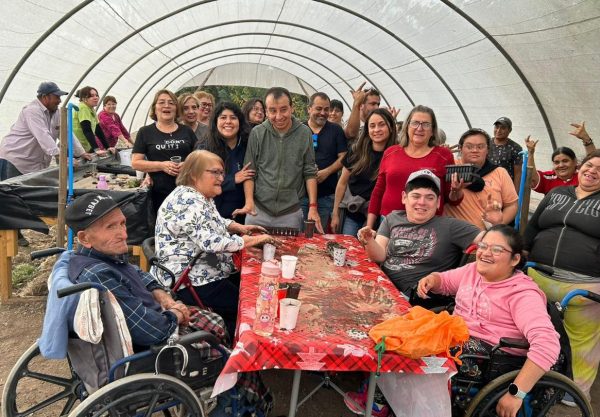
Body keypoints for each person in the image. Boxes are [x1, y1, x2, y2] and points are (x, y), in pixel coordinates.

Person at [62, 191, 273, 414]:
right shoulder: (99, 276)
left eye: (122, 223)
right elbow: (153, 331)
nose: (123, 233)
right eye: (110, 227)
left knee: (217, 322)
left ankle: (240, 382)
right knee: (230, 349)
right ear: (84, 238)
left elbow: (136, 272)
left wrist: (163, 296)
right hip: (154, 346)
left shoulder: (98, 255)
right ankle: (248, 399)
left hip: (156, 317)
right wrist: (176, 313)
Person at [417, 224, 560, 417]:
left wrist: (516, 393)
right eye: (483, 246)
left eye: (497, 249)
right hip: (459, 340)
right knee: (407, 338)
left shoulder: (522, 294)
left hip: (495, 360)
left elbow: (547, 343)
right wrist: (432, 280)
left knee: (421, 358)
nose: (485, 253)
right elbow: (445, 281)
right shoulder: (472, 271)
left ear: (515, 259)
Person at [154, 150, 275, 337]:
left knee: (248, 285)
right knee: (248, 306)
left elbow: (213, 221)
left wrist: (237, 227)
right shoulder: (188, 201)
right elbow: (211, 242)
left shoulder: (199, 196)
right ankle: (237, 344)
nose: (221, 178)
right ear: (194, 175)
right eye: (215, 172)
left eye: (222, 173)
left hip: (202, 270)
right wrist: (253, 240)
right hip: (191, 280)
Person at [524, 150, 600, 400]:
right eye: (590, 165)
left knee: (581, 342)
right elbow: (532, 227)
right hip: (537, 275)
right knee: (533, 330)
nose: (593, 171)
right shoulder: (557, 193)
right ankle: (529, 380)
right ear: (580, 167)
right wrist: (520, 254)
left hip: (583, 286)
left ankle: (575, 393)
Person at [358, 169, 481, 295]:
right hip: (381, 284)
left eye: (430, 198)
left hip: (413, 297)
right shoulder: (392, 218)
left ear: (438, 202)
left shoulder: (451, 226)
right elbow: (379, 256)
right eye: (416, 196)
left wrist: (493, 221)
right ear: (404, 197)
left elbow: (488, 239)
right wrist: (369, 240)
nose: (422, 202)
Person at [232, 87, 323, 232]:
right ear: (266, 112)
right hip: (258, 210)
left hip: (290, 213)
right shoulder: (257, 133)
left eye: (283, 109)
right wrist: (249, 202)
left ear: (292, 108)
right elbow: (250, 171)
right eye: (273, 111)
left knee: (290, 247)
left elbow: (309, 171)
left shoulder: (304, 133)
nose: (279, 116)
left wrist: (313, 206)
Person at [366, 105, 457, 230]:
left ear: (432, 130)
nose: (419, 128)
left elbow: (450, 198)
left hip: (427, 225)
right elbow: (378, 192)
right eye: (415, 123)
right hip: (389, 223)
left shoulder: (443, 156)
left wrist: (457, 191)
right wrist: (369, 226)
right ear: (407, 126)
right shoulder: (391, 152)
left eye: (426, 124)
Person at [0, 81, 90, 180]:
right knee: (12, 189)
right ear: (45, 97)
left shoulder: (57, 113)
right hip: (15, 159)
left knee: (29, 189)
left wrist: (82, 153)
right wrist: (60, 156)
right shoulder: (32, 111)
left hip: (33, 163)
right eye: (57, 97)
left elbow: (67, 133)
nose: (59, 101)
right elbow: (43, 135)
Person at [330, 108, 396, 236]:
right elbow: (342, 183)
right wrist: (335, 213)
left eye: (381, 125)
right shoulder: (356, 151)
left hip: (380, 217)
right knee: (348, 245)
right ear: (367, 129)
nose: (376, 130)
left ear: (391, 127)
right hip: (353, 213)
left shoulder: (396, 154)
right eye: (372, 126)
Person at [131, 89, 197, 215]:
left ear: (176, 109)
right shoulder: (145, 132)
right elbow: (136, 163)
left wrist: (187, 164)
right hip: (159, 194)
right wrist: (162, 165)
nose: (167, 105)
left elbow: (200, 157)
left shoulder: (186, 131)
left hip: (188, 191)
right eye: (161, 102)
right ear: (155, 108)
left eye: (171, 103)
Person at [445, 128, 518, 230]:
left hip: (486, 234)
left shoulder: (499, 172)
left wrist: (497, 226)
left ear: (487, 149)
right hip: (453, 232)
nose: (475, 150)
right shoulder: (450, 166)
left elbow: (512, 205)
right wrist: (440, 154)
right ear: (460, 148)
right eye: (469, 146)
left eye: (480, 147)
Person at [197, 102, 254, 221]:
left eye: (233, 118)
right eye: (223, 117)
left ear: (240, 121)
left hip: (246, 213)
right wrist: (233, 179)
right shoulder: (204, 147)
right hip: (214, 214)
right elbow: (199, 182)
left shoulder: (249, 144)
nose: (228, 121)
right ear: (215, 122)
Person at [301, 92, 347, 229]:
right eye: (319, 108)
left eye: (326, 109)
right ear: (309, 109)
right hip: (301, 195)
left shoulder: (336, 130)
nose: (323, 113)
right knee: (299, 234)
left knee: (319, 234)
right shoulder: (299, 129)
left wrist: (327, 172)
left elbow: (344, 157)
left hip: (326, 196)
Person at [526, 122, 596, 194]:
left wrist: (586, 139)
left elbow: (594, 162)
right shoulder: (548, 178)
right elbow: (531, 178)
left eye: (565, 161)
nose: (561, 165)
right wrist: (530, 153)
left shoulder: (583, 175)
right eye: (556, 162)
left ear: (575, 161)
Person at [72, 86, 112, 154]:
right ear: (84, 99)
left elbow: (98, 130)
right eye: (92, 96)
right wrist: (96, 149)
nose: (96, 97)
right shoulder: (83, 108)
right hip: (76, 147)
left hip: (83, 146)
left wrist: (107, 147)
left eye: (96, 95)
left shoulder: (91, 108)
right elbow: (87, 130)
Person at [488, 117, 523, 192]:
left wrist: (515, 193)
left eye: (503, 128)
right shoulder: (486, 144)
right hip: (487, 185)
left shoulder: (515, 148)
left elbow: (518, 173)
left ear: (509, 130)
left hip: (505, 188)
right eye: (497, 127)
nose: (498, 130)